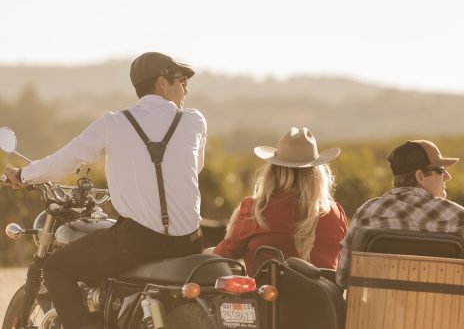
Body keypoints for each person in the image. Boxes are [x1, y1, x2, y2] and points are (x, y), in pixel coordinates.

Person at [2, 52, 207, 329]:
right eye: (182, 80)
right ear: (161, 82)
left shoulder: (115, 124)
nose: (186, 88)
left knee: (56, 268)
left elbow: (65, 160)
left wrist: (24, 174)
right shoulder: (194, 121)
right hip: (190, 241)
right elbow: (193, 169)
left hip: (140, 241)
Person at [336, 139, 464, 287]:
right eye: (440, 170)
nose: (447, 176)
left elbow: (342, 277)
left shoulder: (367, 213)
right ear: (420, 176)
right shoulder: (460, 218)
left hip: (380, 316)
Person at [212, 127, 348, 276]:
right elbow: (346, 263)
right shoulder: (335, 213)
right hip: (324, 298)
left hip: (269, 298)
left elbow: (222, 255)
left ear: (273, 171)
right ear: (317, 172)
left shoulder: (256, 210)